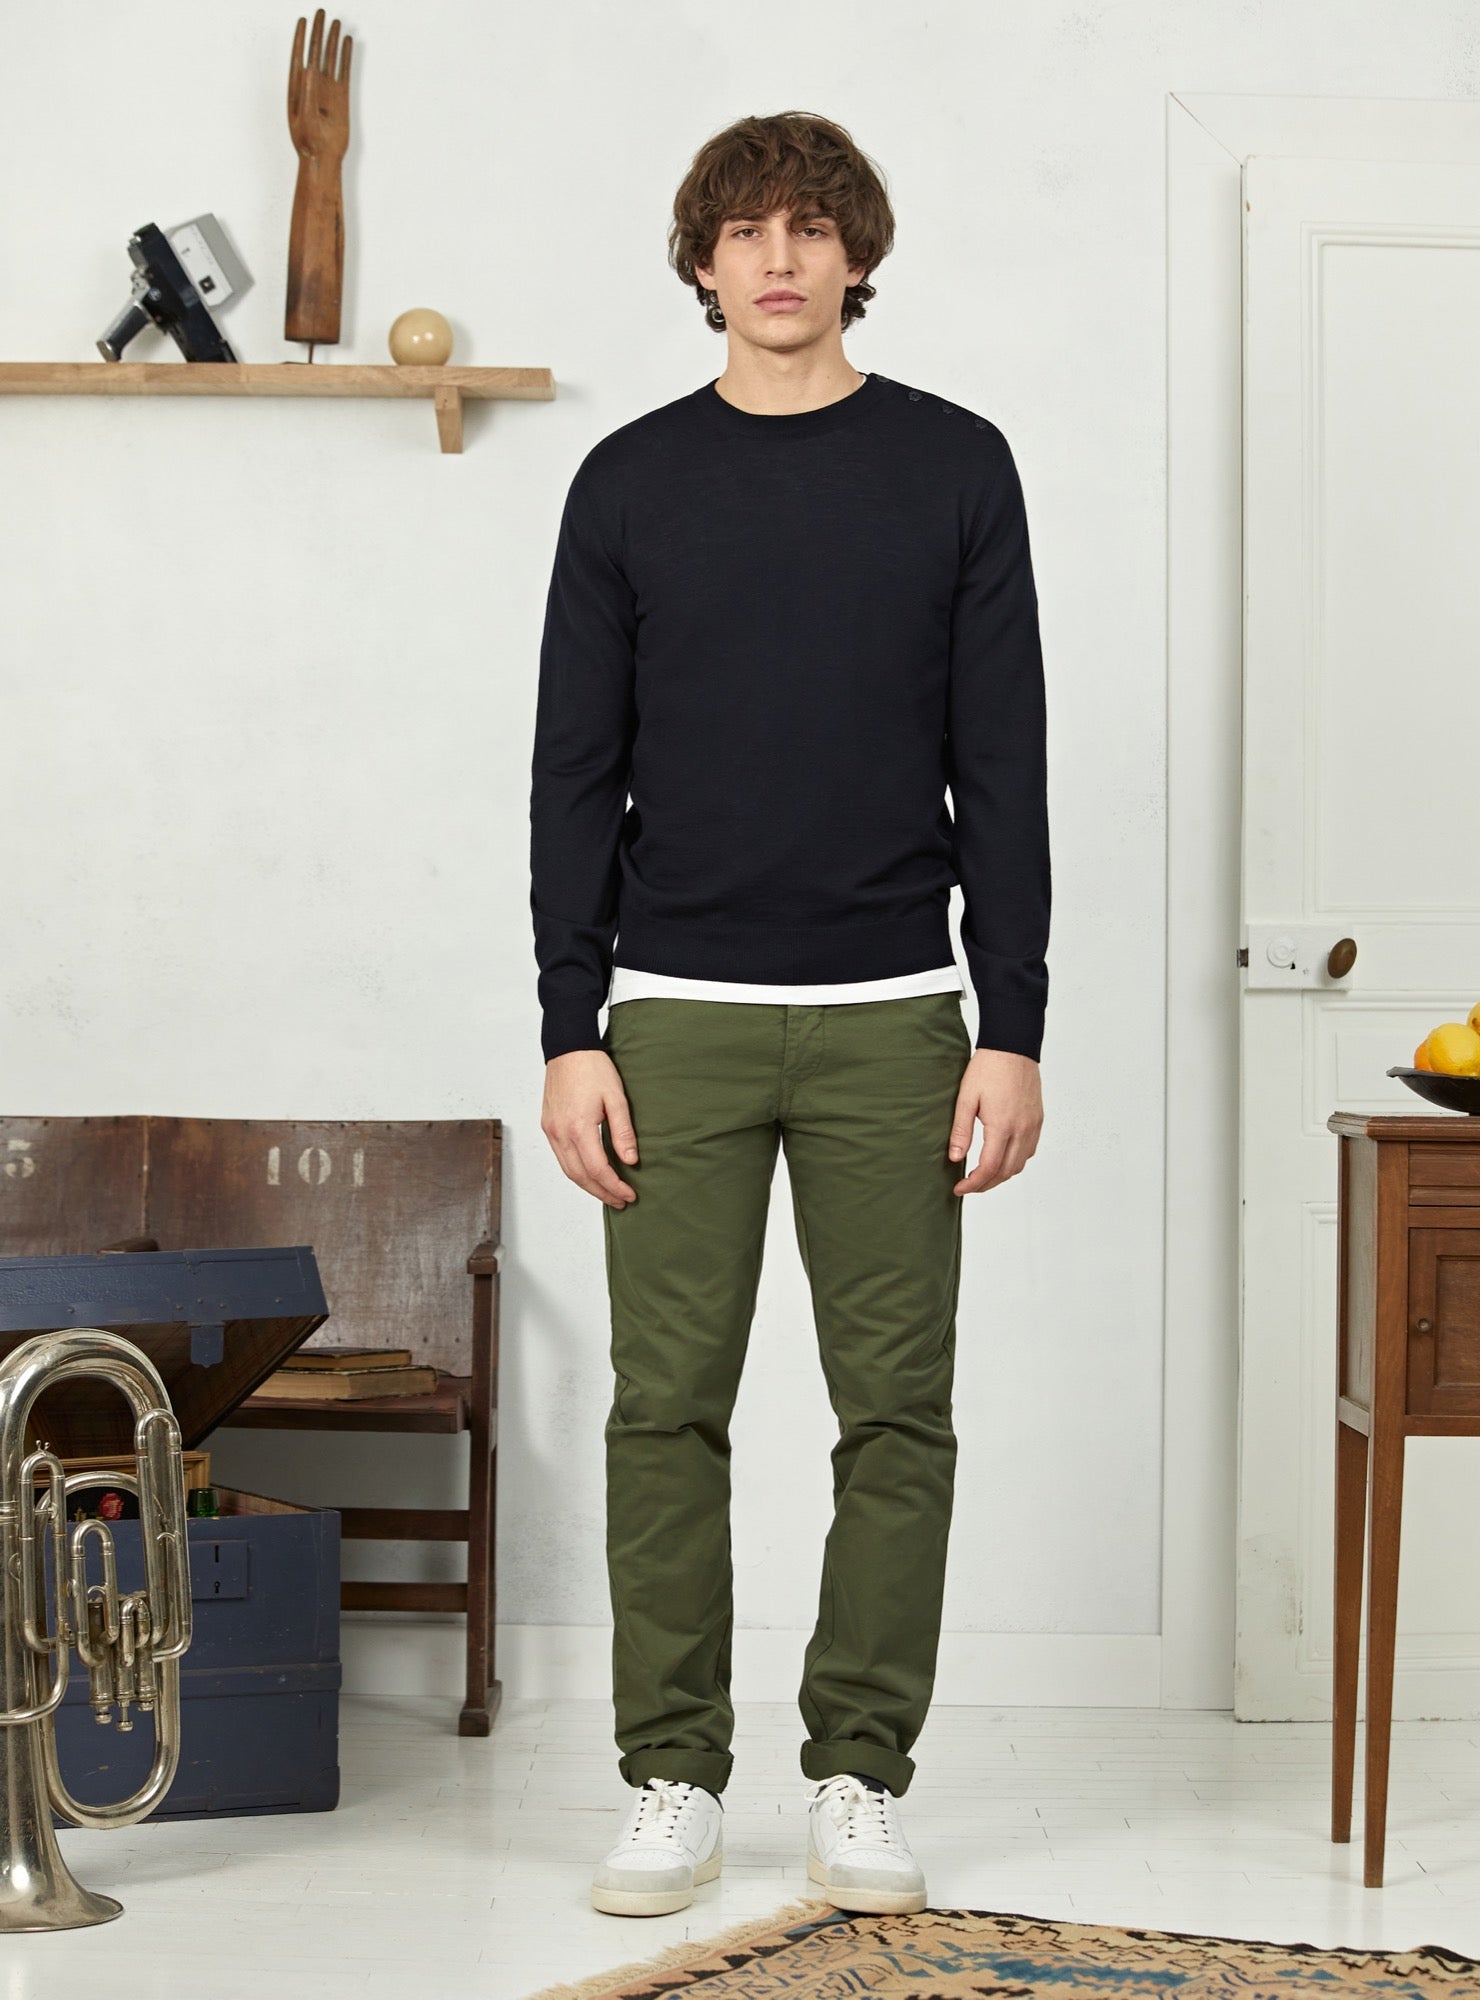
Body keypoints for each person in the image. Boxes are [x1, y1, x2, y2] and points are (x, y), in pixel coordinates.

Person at [529, 108, 1050, 1920]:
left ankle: (859, 1777)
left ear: (855, 256)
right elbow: (574, 773)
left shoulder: (956, 467)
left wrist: (1012, 1022)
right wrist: (571, 1024)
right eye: (745, 230)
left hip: (898, 1015)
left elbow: (1005, 766)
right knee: (664, 1411)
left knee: (897, 1414)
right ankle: (672, 1775)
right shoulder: (629, 482)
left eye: (811, 227)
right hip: (672, 1015)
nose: (778, 257)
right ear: (702, 263)